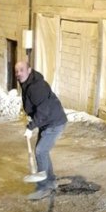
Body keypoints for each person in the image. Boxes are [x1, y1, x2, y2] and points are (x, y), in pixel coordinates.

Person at [15, 61, 68, 200]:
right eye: (17, 71)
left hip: (54, 122)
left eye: (21, 70)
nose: (19, 73)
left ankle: (44, 188)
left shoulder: (36, 86)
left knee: (40, 151)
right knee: (43, 151)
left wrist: (31, 127)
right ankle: (50, 181)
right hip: (47, 122)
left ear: (29, 70)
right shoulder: (27, 83)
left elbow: (43, 110)